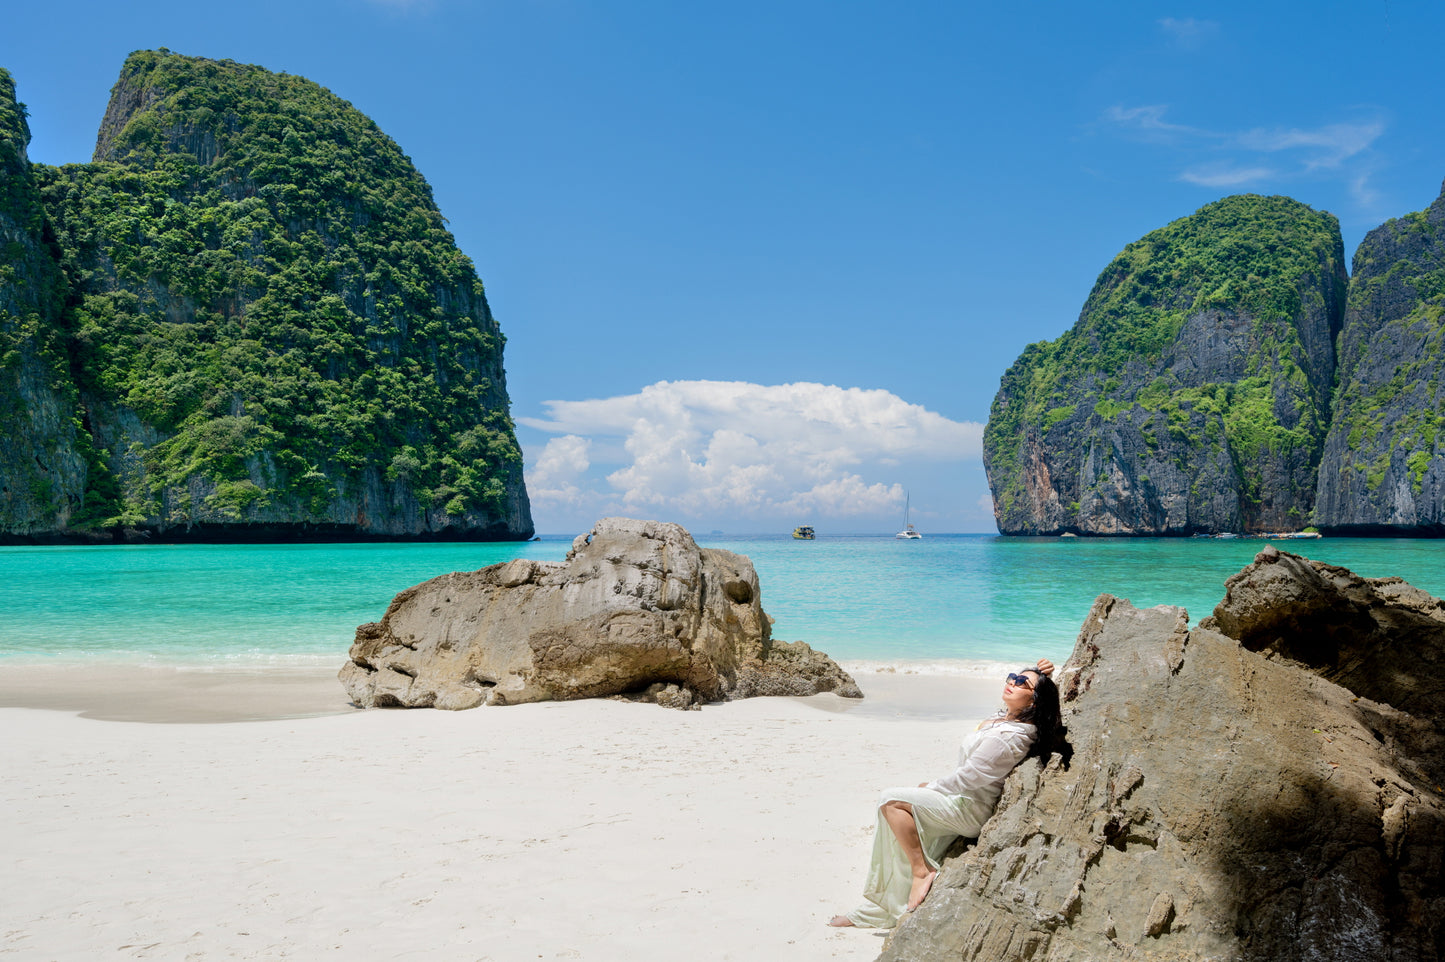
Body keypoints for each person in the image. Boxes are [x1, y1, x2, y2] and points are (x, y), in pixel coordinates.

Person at [829, 658, 1062, 929]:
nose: (1012, 681)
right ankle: (881, 910)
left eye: (1022, 682)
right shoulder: (1007, 721)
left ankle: (922, 871)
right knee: (900, 825)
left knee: (890, 801)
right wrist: (1039, 672)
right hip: (960, 798)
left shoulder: (1009, 737)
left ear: (1034, 701)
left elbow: (968, 778)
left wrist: (932, 787)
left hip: (969, 808)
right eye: (1012, 676)